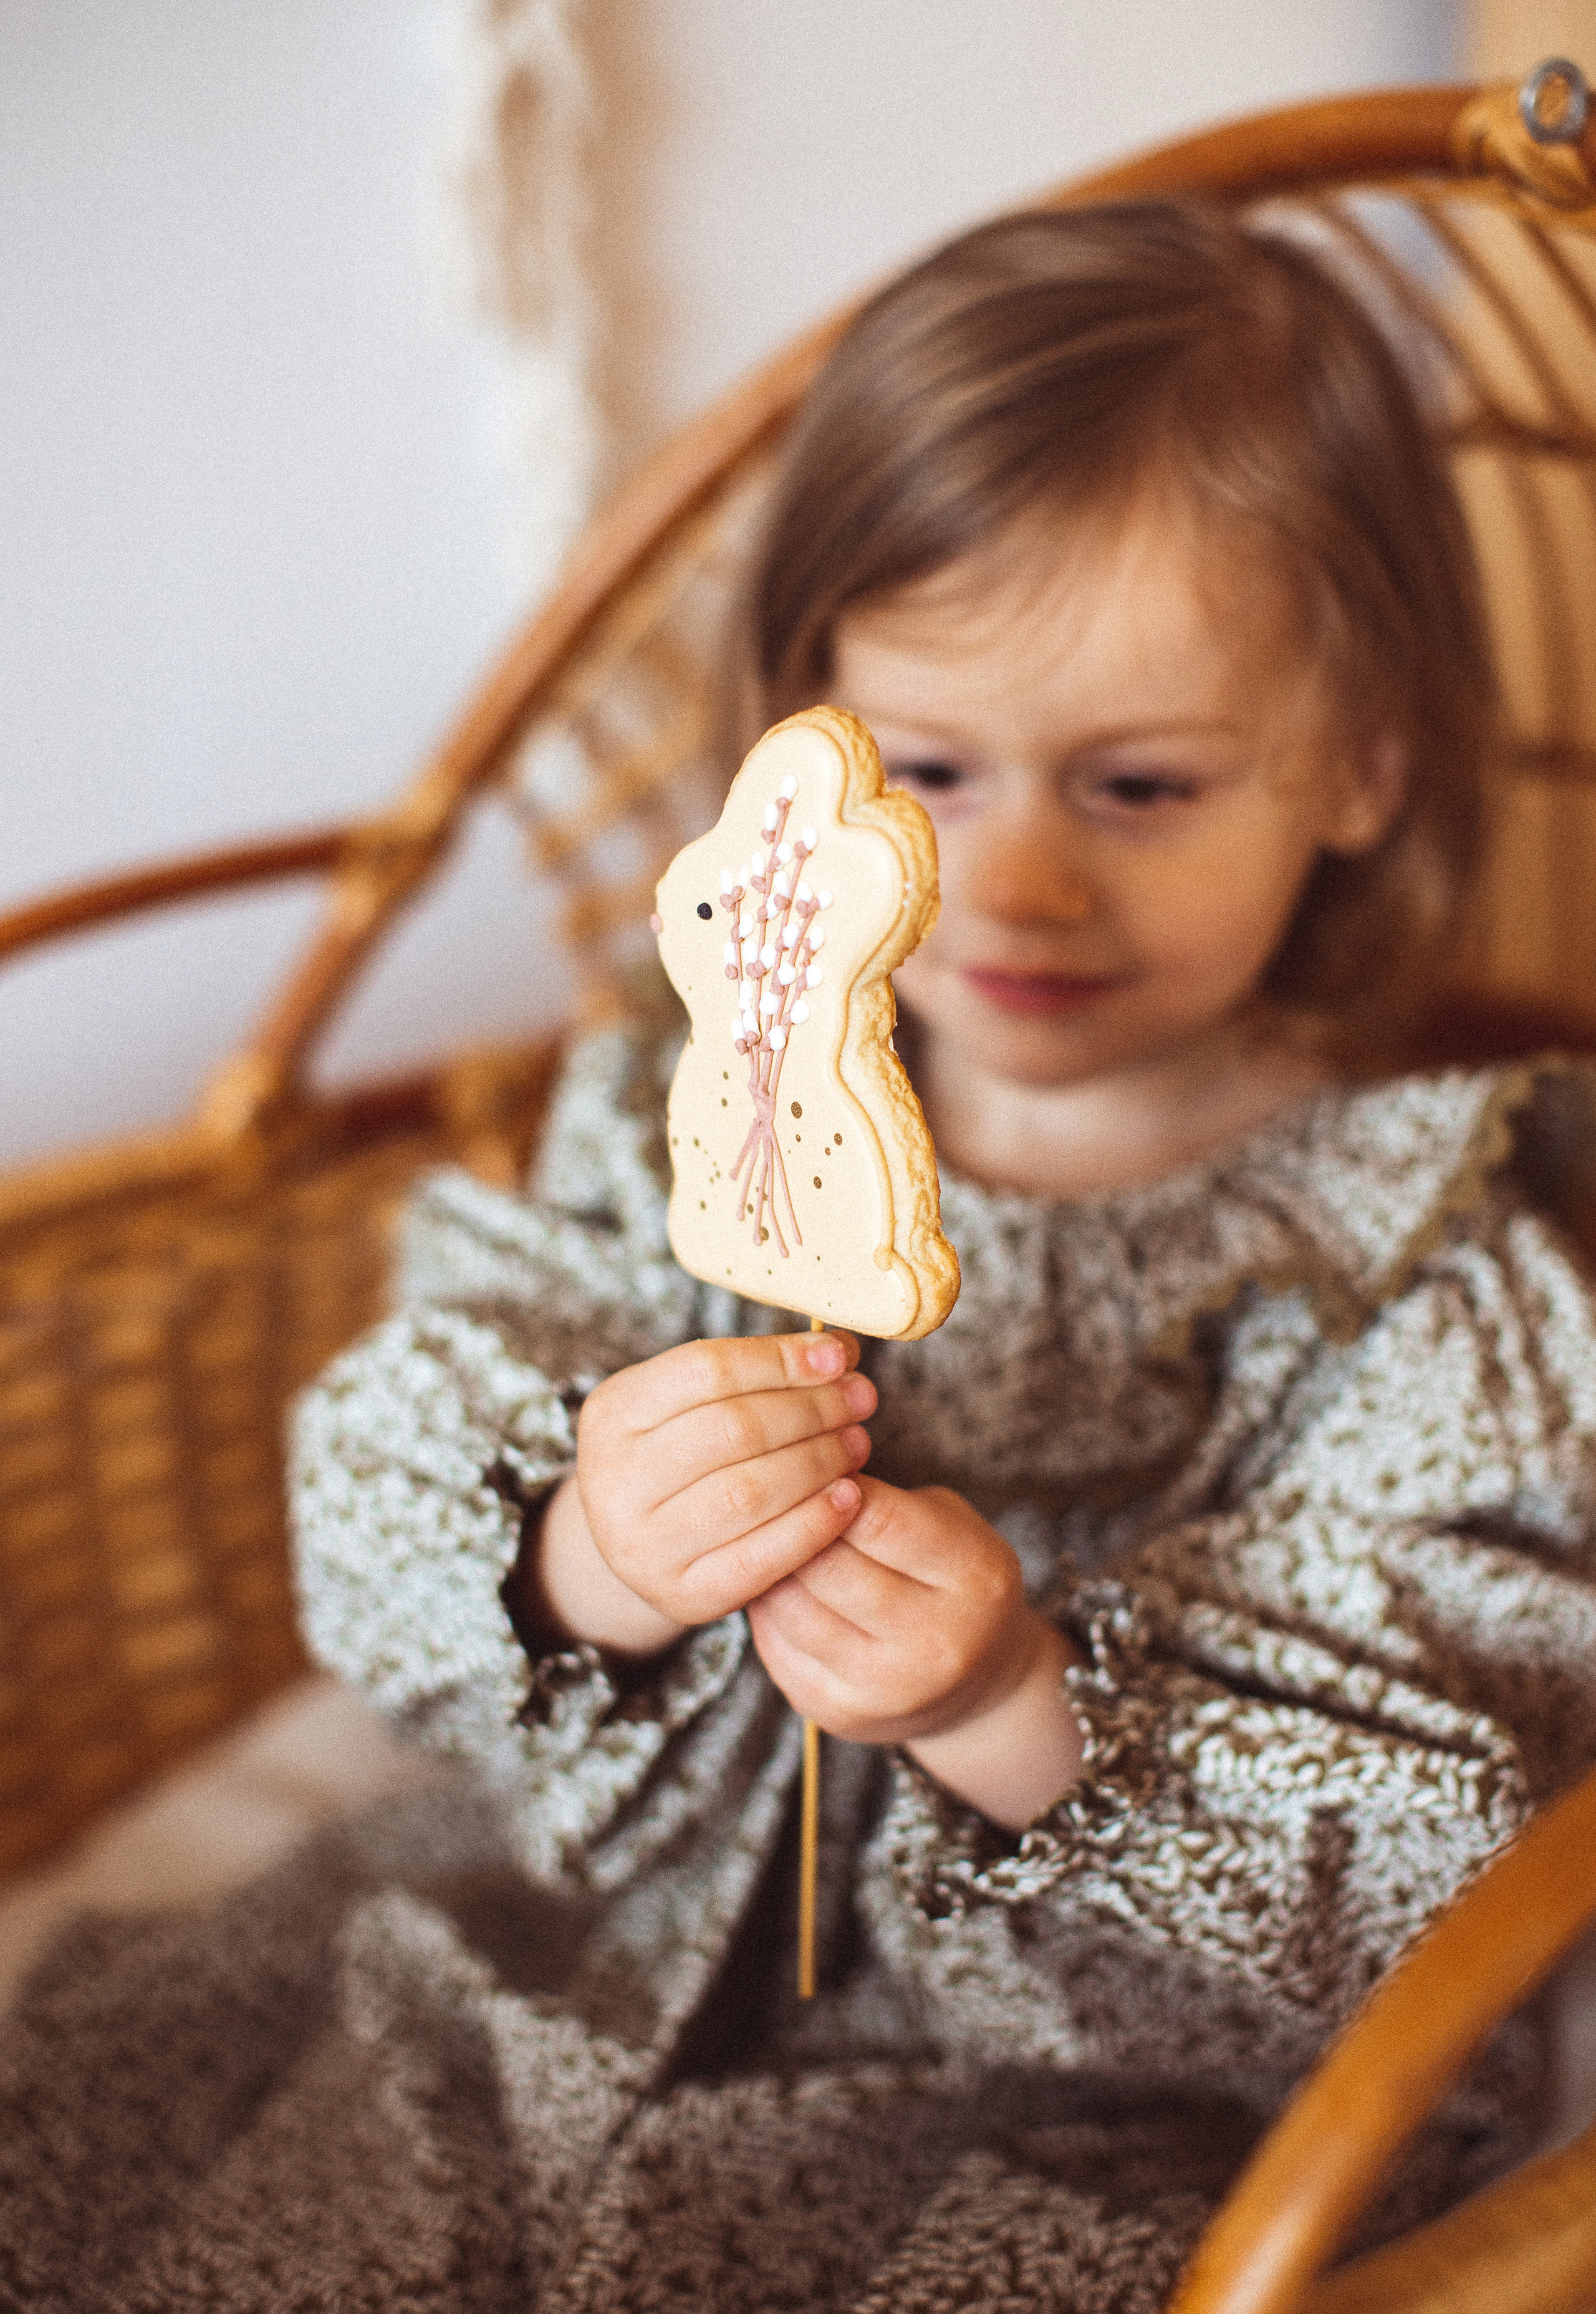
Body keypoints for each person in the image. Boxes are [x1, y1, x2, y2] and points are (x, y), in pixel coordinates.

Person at [6, 203, 1596, 2314]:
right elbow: (398, 1453)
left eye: (1139, 785)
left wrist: (1020, 1699)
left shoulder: (1433, 1265)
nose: (1011, 880)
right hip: (569, 1952)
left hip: (1078, 2103)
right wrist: (586, 1542)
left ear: (1360, 770)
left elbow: (1425, 1855)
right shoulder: (685, 1103)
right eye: (920, 772)